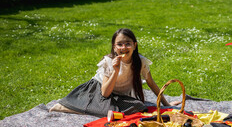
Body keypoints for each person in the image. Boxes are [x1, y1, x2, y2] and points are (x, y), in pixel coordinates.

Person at [50, 28, 178, 117]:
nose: (124, 48)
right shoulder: (109, 61)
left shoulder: (140, 61)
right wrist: (115, 71)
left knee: (139, 106)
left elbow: (151, 83)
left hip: (119, 95)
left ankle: (106, 110)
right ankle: (66, 107)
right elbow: (105, 93)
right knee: (104, 108)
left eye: (128, 44)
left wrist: (166, 105)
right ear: (114, 47)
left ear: (134, 45)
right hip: (99, 90)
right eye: (120, 44)